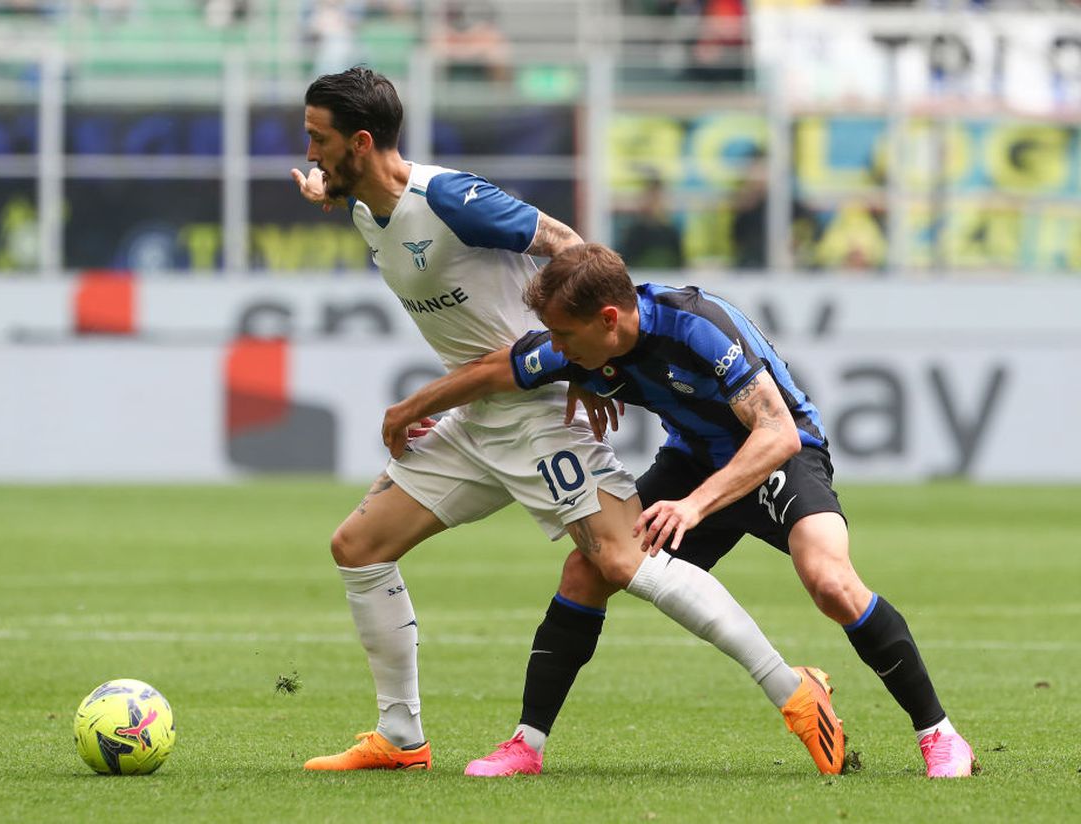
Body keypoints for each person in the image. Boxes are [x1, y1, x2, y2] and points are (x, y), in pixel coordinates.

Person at [290, 67, 846, 776]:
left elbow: (575, 250)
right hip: (476, 416)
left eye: (318, 140)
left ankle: (795, 691)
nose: (309, 153)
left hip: (537, 408)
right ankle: (401, 740)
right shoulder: (362, 197)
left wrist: (594, 362)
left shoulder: (454, 201)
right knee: (359, 546)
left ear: (361, 143)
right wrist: (321, 187)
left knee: (622, 560)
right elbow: (342, 190)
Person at [383, 242, 977, 779]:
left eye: (564, 336)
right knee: (586, 571)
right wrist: (408, 409)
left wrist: (694, 506)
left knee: (830, 581)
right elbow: (498, 369)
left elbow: (778, 433)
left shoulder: (698, 326)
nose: (556, 349)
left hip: (778, 459)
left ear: (608, 320)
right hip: (693, 461)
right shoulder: (586, 346)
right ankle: (526, 745)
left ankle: (941, 737)